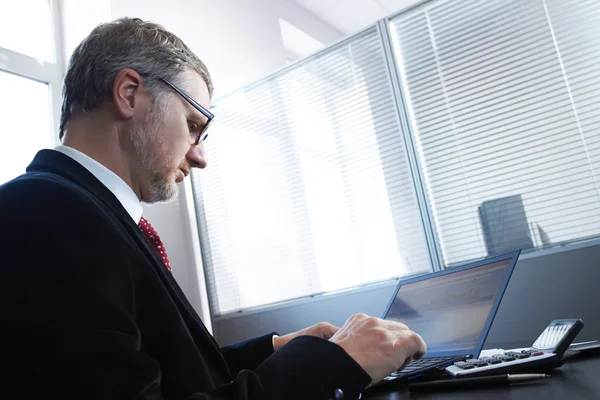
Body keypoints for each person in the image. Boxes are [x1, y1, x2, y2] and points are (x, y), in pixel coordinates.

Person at [0, 17, 426, 400]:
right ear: (129, 93)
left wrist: (276, 349)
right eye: (191, 125)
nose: (200, 157)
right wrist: (335, 365)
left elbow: (152, 374)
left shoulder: (84, 212)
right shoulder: (47, 211)